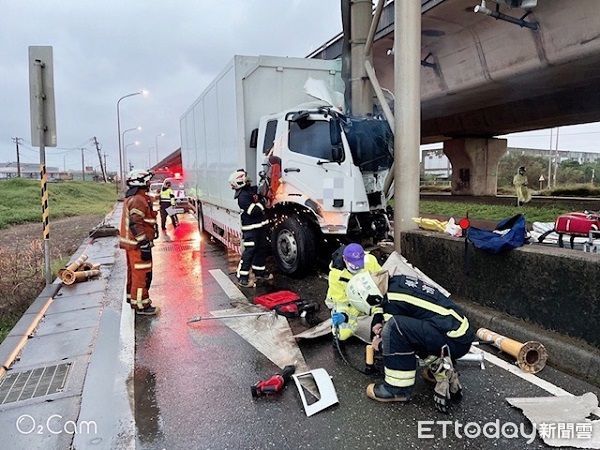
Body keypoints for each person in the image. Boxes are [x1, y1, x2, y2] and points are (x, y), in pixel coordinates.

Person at [346, 270, 474, 413]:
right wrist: (377, 320)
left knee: (395, 329)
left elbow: (394, 335)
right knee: (407, 327)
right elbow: (384, 306)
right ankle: (439, 368)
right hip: (458, 333)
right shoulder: (396, 283)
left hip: (453, 342)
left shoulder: (393, 300)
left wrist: (380, 345)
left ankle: (397, 389)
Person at [119, 169, 159, 315]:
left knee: (134, 272)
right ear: (140, 182)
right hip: (137, 245)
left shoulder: (135, 197)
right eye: (147, 181)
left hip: (132, 244)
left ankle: (133, 298)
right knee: (142, 274)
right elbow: (136, 223)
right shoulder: (138, 199)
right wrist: (144, 243)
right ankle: (142, 305)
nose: (149, 183)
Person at [326, 243, 382, 341]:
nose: (356, 268)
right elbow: (342, 302)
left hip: (366, 296)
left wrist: (378, 312)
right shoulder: (336, 274)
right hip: (347, 302)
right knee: (341, 335)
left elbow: (380, 284)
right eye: (353, 266)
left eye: (359, 265)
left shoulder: (370, 261)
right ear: (344, 259)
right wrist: (344, 315)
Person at [228, 169, 273, 288]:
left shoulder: (249, 190)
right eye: (245, 178)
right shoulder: (242, 197)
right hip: (250, 231)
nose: (248, 180)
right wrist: (262, 203)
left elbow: (259, 192)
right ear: (240, 182)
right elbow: (253, 210)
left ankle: (260, 272)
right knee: (249, 252)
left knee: (261, 249)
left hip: (260, 228)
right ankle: (242, 277)